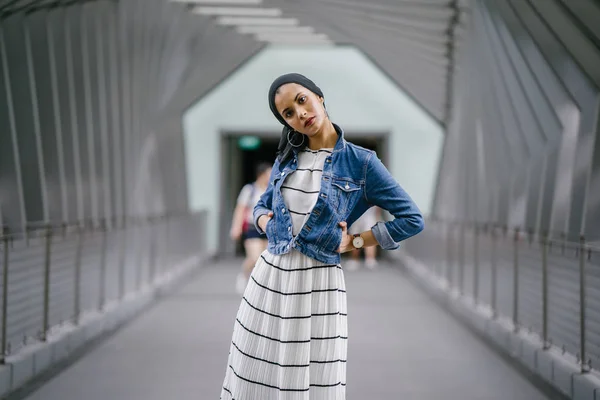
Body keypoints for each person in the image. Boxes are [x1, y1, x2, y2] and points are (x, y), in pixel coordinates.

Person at [220, 73, 424, 399]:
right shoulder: (287, 157)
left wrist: (356, 242)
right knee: (254, 374)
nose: (300, 113)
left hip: (319, 284)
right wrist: (263, 220)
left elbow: (412, 219)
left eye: (301, 100)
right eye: (288, 113)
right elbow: (261, 203)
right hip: (270, 277)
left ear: (319, 96)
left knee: (316, 379)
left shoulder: (361, 162)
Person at [229, 163, 272, 294]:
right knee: (255, 258)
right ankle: (244, 276)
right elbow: (240, 209)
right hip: (253, 228)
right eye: (269, 173)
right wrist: (236, 227)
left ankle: (262, 286)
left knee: (266, 259)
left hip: (268, 228)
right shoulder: (250, 189)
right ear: (261, 175)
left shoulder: (272, 190)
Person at [346, 206, 381, 270]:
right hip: (357, 216)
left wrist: (377, 217)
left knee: (368, 237)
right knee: (356, 237)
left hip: (368, 216)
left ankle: (370, 259)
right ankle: (356, 260)